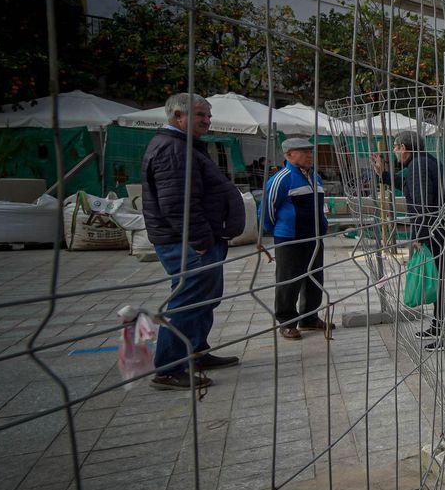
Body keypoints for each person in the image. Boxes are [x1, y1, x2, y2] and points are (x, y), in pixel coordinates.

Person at [141, 93, 246, 390]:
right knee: (187, 301)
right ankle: (169, 368)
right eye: (200, 115)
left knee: (203, 298)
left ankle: (195, 352)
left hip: (197, 240)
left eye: (208, 116)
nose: (207, 121)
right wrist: (199, 240)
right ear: (178, 117)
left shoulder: (184, 146)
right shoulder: (173, 149)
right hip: (186, 242)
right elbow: (178, 202)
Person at [370, 130, 445, 351]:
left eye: (395, 147)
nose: (394, 151)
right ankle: (439, 325)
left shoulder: (417, 166)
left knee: (442, 281)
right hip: (439, 228)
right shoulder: (422, 162)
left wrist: (419, 236)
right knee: (438, 279)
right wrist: (383, 174)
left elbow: (421, 204)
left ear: (404, 148)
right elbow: (408, 184)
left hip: (435, 232)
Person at [263, 138, 330, 340]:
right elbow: (267, 210)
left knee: (314, 278)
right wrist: (277, 230)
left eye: (310, 151)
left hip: (314, 236)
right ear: (289, 154)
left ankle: (309, 318)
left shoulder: (315, 177)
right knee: (289, 280)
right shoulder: (281, 179)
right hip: (290, 238)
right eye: (304, 152)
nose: (309, 155)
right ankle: (287, 322)